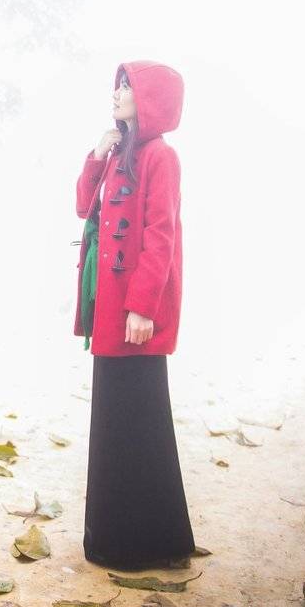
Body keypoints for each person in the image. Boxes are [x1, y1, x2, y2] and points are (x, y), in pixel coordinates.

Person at [73, 60, 196, 571]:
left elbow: (161, 234)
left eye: (128, 86)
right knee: (112, 421)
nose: (118, 93)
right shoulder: (119, 152)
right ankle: (114, 539)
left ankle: (151, 543)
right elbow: (84, 207)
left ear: (150, 100)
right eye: (118, 85)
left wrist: (143, 307)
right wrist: (97, 156)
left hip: (136, 314)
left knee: (141, 423)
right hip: (110, 311)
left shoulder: (161, 156)